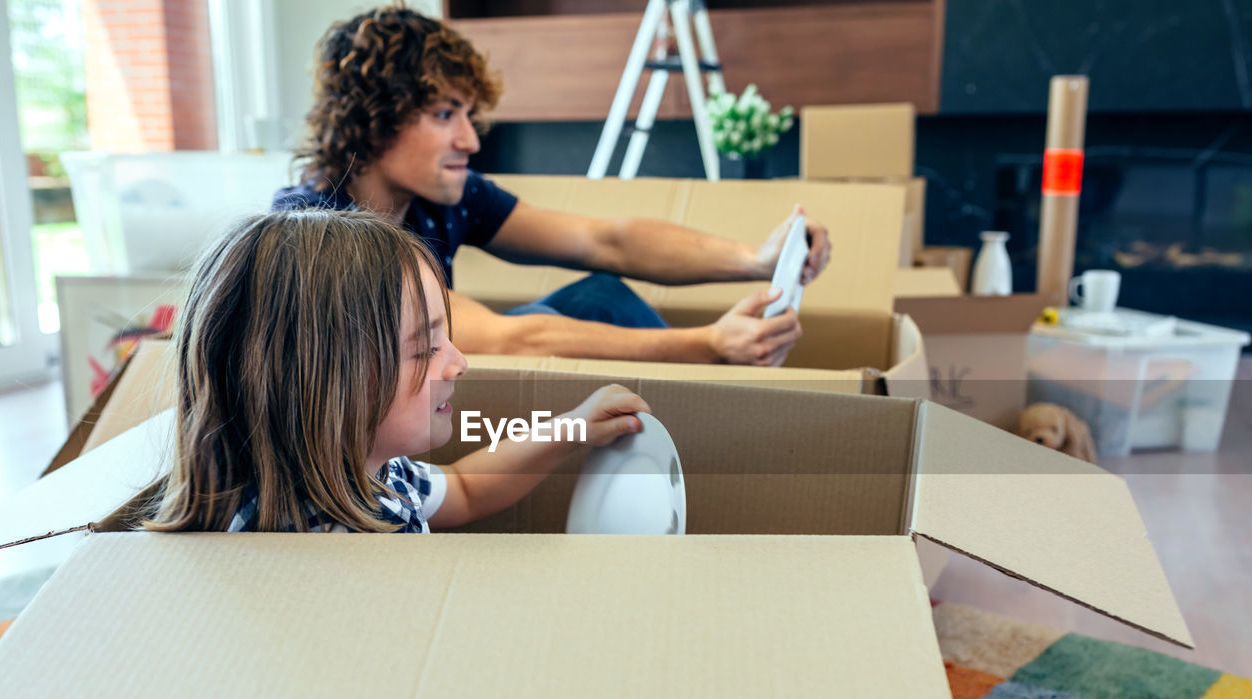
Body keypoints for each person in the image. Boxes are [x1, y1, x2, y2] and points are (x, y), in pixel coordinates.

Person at [273, 3, 834, 367]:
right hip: (388, 428)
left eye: (468, 114)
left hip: (439, 385)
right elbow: (508, 340)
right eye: (446, 115)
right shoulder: (322, 231)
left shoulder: (443, 196)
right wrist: (706, 345)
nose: (470, 139)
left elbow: (604, 241)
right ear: (376, 117)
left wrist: (755, 260)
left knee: (599, 294)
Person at [143, 209, 650, 534]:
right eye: (425, 349)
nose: (459, 361)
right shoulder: (339, 548)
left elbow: (465, 489)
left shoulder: (366, 474)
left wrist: (569, 429)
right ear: (327, 387)